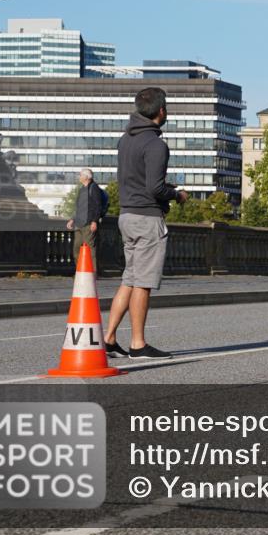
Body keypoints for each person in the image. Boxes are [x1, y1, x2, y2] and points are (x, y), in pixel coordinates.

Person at [102, 87, 188, 360]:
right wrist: (176, 194)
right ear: (161, 111)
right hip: (147, 218)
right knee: (143, 283)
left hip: (126, 215)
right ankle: (138, 344)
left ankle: (109, 338)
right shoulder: (156, 144)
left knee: (129, 279)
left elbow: (139, 180)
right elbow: (154, 188)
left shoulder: (125, 140)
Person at [66, 168, 108, 272]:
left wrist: (94, 221)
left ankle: (92, 273)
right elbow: (78, 207)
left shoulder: (94, 188)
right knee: (76, 249)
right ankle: (81, 271)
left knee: (90, 250)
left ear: (86, 177)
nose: (79, 177)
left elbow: (98, 206)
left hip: (89, 223)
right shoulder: (82, 189)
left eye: (80, 175)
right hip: (79, 223)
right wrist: (72, 219)